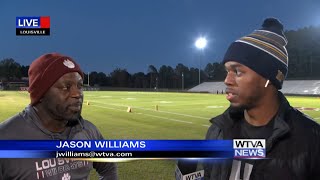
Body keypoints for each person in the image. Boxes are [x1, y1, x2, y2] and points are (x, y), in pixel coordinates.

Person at [204, 18, 320, 180]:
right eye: (227, 71)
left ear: (268, 78)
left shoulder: (312, 140)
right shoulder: (217, 131)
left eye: (237, 71)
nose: (227, 80)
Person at [0, 53, 118, 179]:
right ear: (41, 94)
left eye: (79, 86)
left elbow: (108, 167)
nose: (77, 94)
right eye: (66, 87)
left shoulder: (89, 131)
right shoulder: (5, 138)